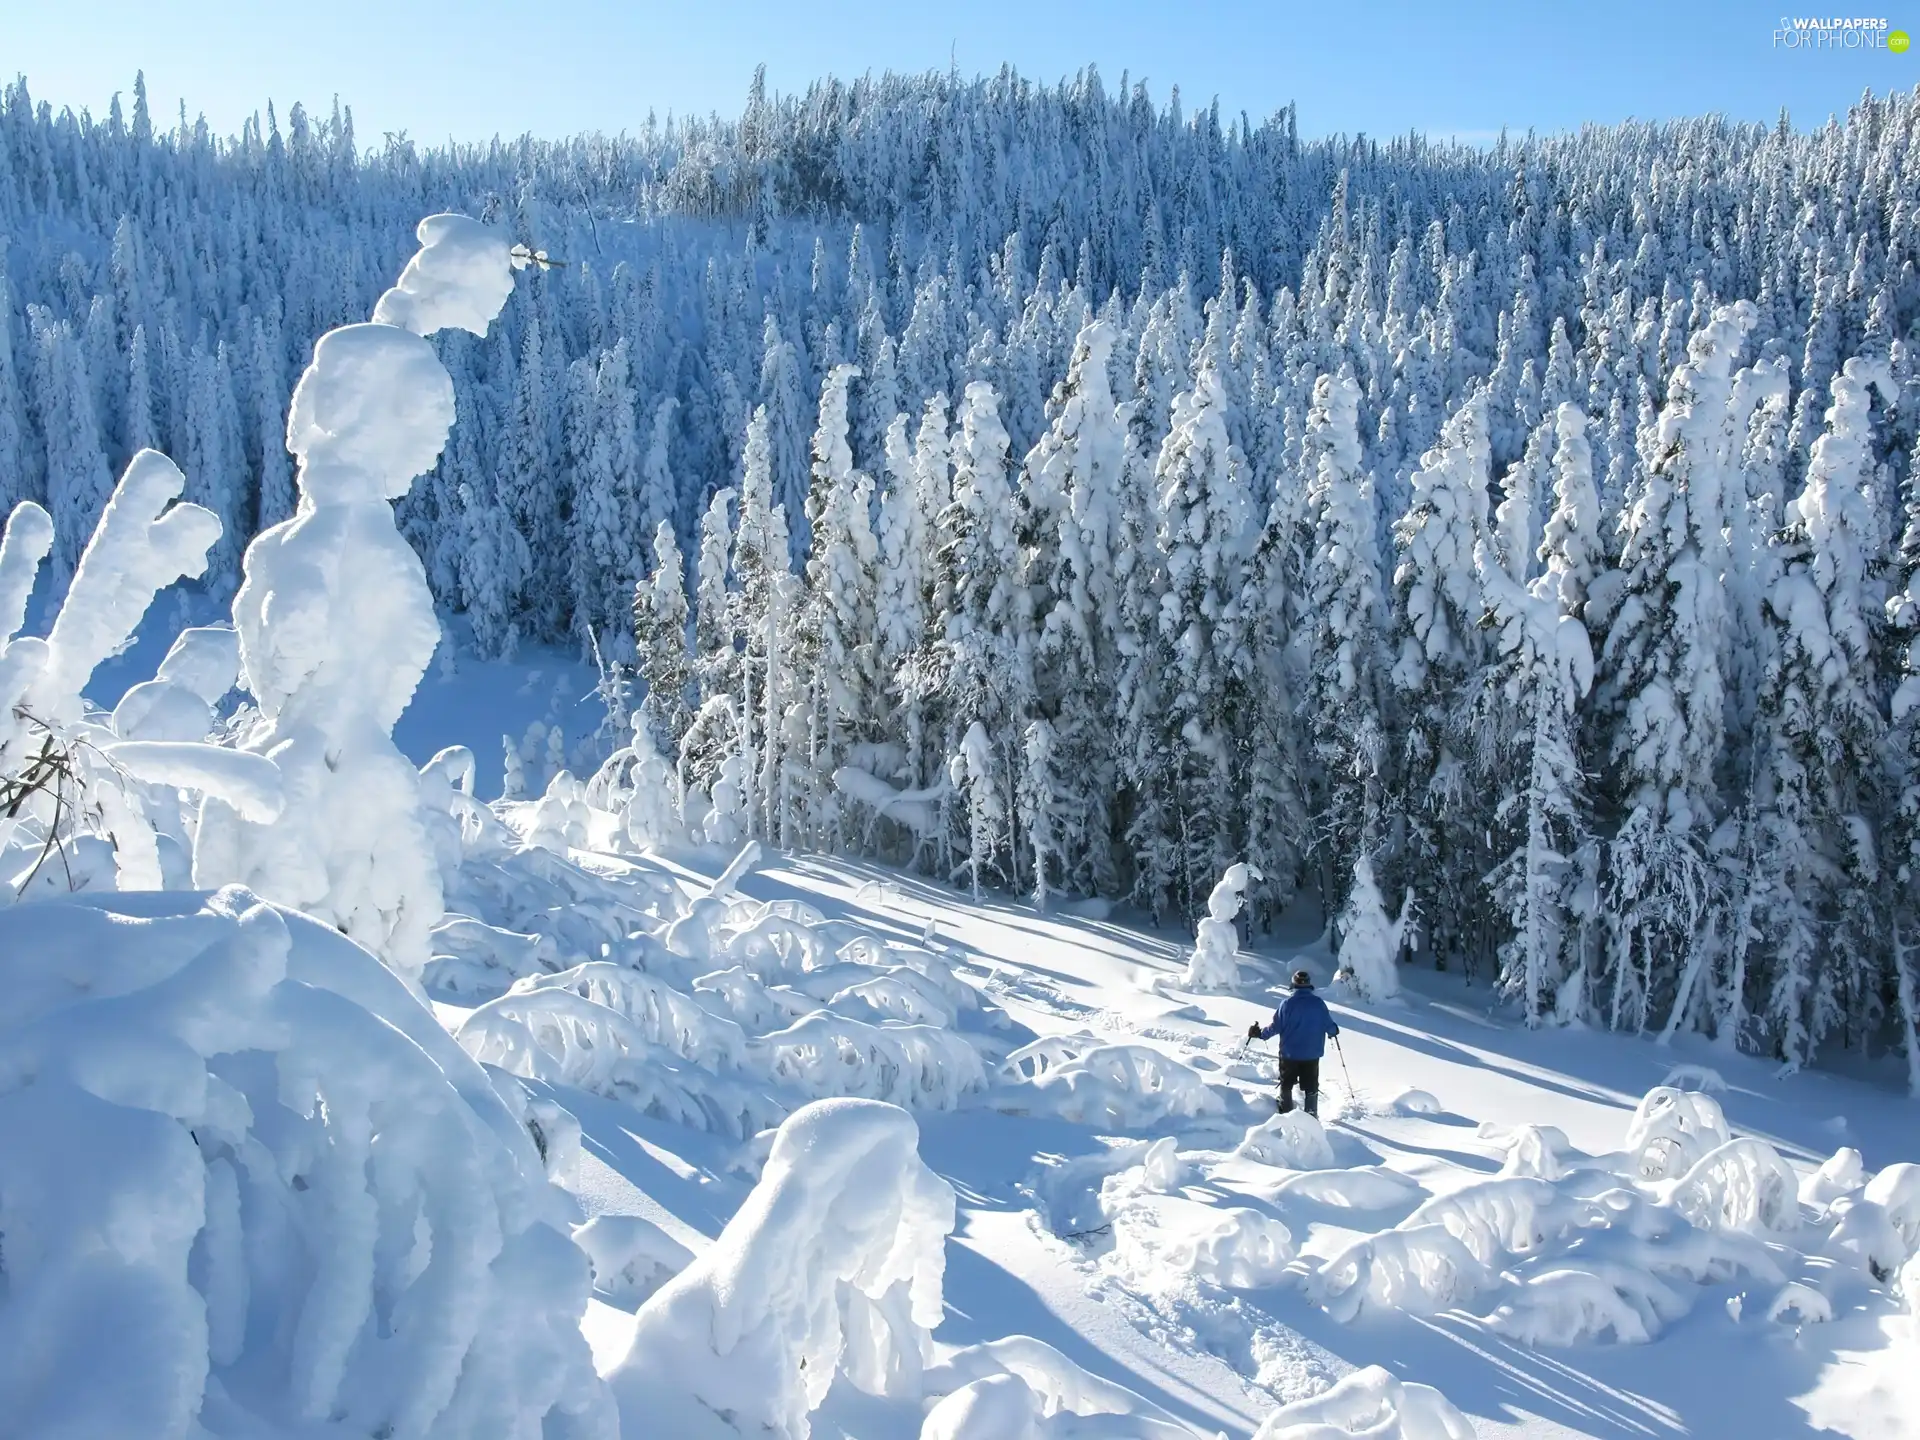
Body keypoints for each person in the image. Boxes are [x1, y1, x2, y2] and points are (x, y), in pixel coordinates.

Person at [1247, 968, 1340, 1118]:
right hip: (1311, 1054)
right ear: (1309, 984)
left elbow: (1275, 1027)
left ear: (1293, 984)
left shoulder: (1287, 1004)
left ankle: (1286, 1111)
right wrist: (1334, 1031)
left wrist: (1260, 1034)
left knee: (1287, 1083)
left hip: (1289, 1054)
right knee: (1311, 1086)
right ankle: (1311, 1114)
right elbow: (1329, 1026)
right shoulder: (1318, 1004)